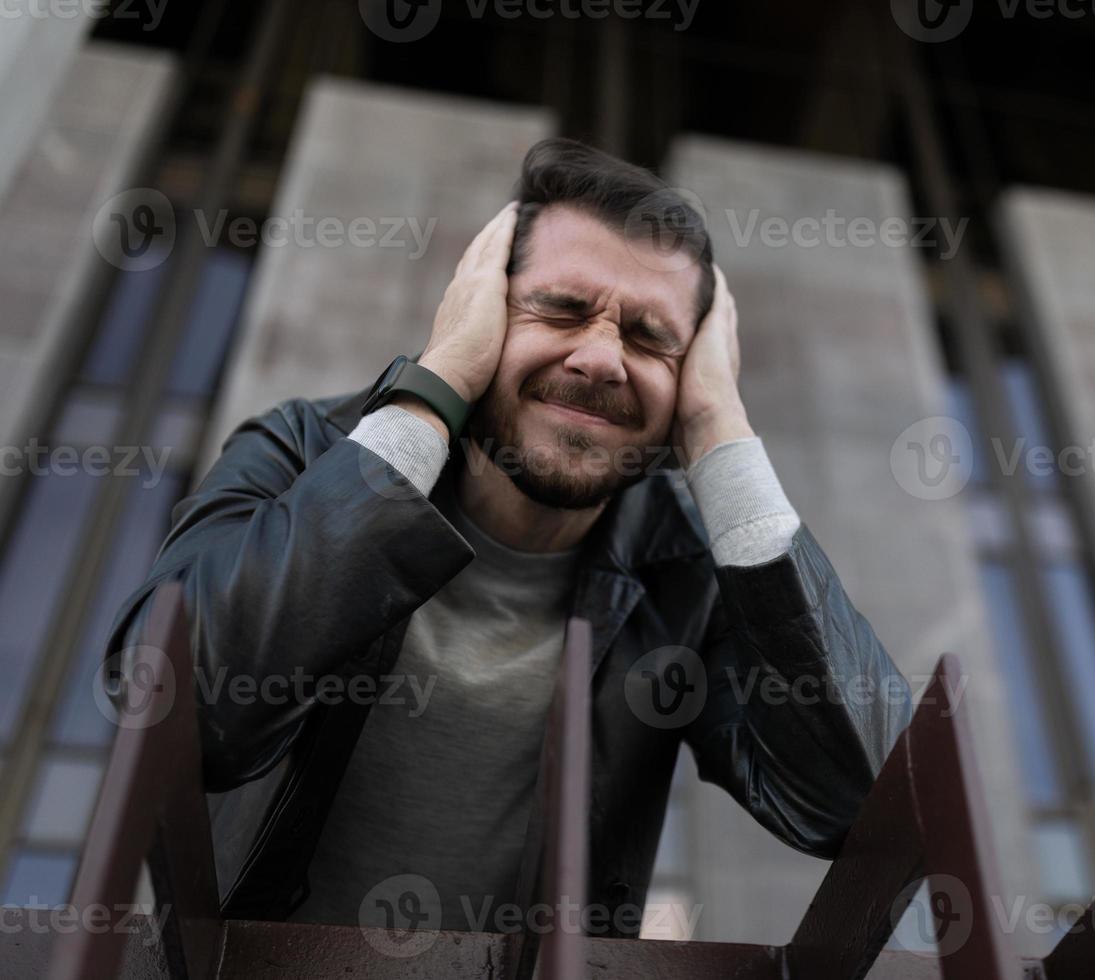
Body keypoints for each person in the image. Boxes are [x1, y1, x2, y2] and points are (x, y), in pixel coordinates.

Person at [105, 137, 913, 939]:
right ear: (481, 307)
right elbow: (182, 707)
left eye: (649, 337)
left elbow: (862, 806)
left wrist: (722, 432)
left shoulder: (690, 565)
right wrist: (441, 381)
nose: (600, 358)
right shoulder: (308, 450)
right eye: (560, 309)